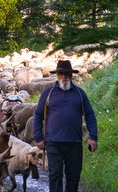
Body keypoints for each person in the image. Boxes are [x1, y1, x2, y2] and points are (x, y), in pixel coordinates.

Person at [33, 60, 98, 192]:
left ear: (71, 75)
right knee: (55, 175)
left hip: (74, 142)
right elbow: (38, 115)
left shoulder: (80, 93)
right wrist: (38, 137)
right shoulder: (48, 93)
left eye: (67, 74)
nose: (64, 77)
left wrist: (93, 137)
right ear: (57, 75)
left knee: (73, 177)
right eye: (61, 74)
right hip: (53, 142)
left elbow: (90, 115)